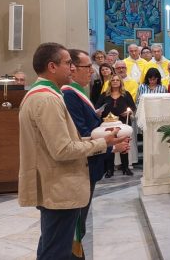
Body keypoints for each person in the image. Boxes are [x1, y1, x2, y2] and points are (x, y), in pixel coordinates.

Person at [18, 42, 129, 259]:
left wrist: (103, 139)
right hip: (59, 184)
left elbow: (66, 140)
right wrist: (103, 143)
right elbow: (63, 149)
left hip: (56, 184)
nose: (71, 68)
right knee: (57, 251)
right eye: (68, 63)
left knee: (54, 244)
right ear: (52, 66)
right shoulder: (46, 99)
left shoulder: (44, 94)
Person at [61, 49, 110, 259]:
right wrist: (110, 141)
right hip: (82, 165)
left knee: (80, 221)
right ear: (72, 68)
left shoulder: (77, 91)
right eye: (87, 67)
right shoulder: (69, 93)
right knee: (74, 225)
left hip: (89, 161)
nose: (92, 71)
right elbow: (81, 132)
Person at [95, 74, 136, 177]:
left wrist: (128, 113)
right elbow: (97, 108)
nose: (115, 82)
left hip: (122, 123)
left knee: (124, 145)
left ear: (120, 82)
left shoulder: (126, 94)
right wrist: (100, 112)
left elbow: (133, 108)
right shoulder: (104, 95)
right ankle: (110, 170)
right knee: (111, 145)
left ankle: (125, 168)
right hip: (108, 125)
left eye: (117, 80)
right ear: (110, 82)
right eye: (113, 80)